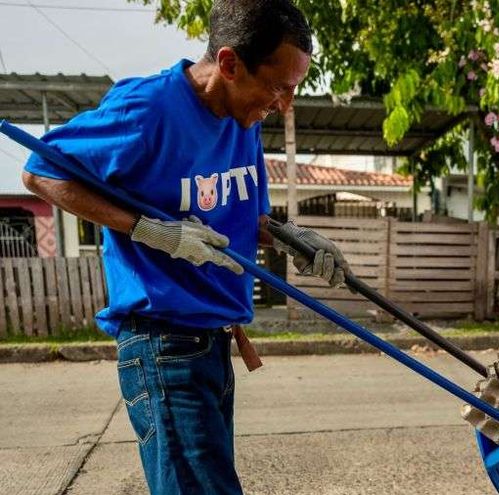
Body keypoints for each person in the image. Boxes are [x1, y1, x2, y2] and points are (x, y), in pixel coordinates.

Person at [21, 2, 348, 493]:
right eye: (278, 87)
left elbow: (245, 217)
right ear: (230, 63)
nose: (284, 104)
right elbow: (41, 172)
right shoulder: (147, 109)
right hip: (163, 345)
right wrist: (149, 229)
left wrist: (291, 237)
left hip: (214, 341)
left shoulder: (243, 118)